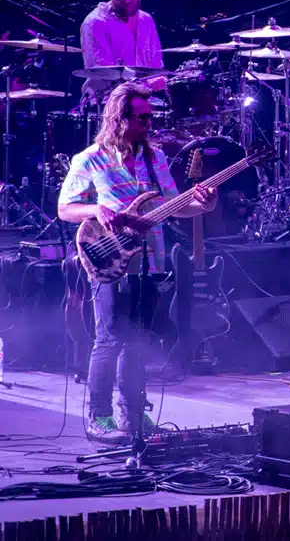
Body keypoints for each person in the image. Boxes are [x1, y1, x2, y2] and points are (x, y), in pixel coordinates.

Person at [58, 82, 215, 444]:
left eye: (150, 117)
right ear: (120, 118)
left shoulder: (154, 158)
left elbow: (176, 206)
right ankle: (99, 417)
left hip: (150, 258)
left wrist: (204, 204)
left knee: (138, 340)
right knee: (109, 338)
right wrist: (97, 209)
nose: (149, 123)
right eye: (142, 117)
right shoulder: (90, 159)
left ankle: (132, 415)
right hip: (108, 258)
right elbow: (65, 208)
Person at [79, 0, 166, 97]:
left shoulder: (146, 20)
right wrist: (143, 81)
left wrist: (159, 79)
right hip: (107, 101)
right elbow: (102, 74)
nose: (126, 0)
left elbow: (156, 66)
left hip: (143, 99)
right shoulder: (95, 23)